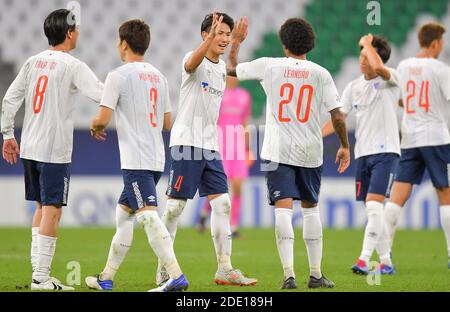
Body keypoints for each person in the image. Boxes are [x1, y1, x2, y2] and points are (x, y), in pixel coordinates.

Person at [228, 17, 350, 289]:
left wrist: (235, 43)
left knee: (283, 212)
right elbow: (338, 116)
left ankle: (288, 276)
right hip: (310, 151)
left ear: (284, 44)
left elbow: (232, 70)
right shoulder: (321, 73)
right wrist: (344, 145)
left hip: (277, 150)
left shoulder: (270, 65)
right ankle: (316, 275)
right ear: (311, 44)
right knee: (311, 210)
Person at [1, 9, 103, 290]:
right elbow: (101, 93)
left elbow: (10, 99)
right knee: (53, 210)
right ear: (70, 33)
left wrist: (8, 134)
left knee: (41, 207)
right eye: (77, 29)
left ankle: (39, 274)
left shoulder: (33, 62)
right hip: (54, 149)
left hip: (30, 146)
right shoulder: (72, 65)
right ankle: (41, 278)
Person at [86, 19, 188, 292]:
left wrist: (95, 126)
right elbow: (167, 122)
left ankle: (175, 275)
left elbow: (102, 117)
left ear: (124, 44)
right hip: (155, 158)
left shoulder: (118, 75)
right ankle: (106, 277)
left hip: (136, 159)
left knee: (146, 217)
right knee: (123, 215)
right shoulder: (159, 77)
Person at [156, 12, 257, 287]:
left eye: (227, 33)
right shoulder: (194, 58)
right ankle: (165, 267)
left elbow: (233, 68)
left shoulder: (221, 68)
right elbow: (190, 64)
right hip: (186, 142)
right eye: (220, 33)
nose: (223, 38)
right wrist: (210, 39)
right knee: (175, 207)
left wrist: (236, 43)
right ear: (206, 35)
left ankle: (225, 268)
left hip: (210, 145)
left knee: (222, 204)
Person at [322, 34, 399, 275]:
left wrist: (367, 42)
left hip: (386, 152)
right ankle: (386, 262)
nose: (362, 59)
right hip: (363, 155)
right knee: (372, 209)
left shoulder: (391, 79)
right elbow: (339, 118)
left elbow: (378, 67)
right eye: (361, 55)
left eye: (366, 54)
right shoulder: (354, 87)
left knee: (374, 207)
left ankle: (364, 260)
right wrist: (314, 135)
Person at [384, 22, 450, 269]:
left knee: (396, 198)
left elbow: (402, 99)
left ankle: (385, 257)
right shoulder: (441, 69)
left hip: (410, 138)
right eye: (441, 42)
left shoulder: (404, 66)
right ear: (435, 43)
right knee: (445, 195)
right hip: (436, 138)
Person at [197, 76, 252, 239]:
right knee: (219, 187)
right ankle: (204, 215)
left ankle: (233, 226)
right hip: (220, 146)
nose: (234, 78)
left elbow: (245, 122)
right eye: (231, 74)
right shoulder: (218, 94)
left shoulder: (244, 95)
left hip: (238, 147)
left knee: (238, 186)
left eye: (236, 74)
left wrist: (247, 148)